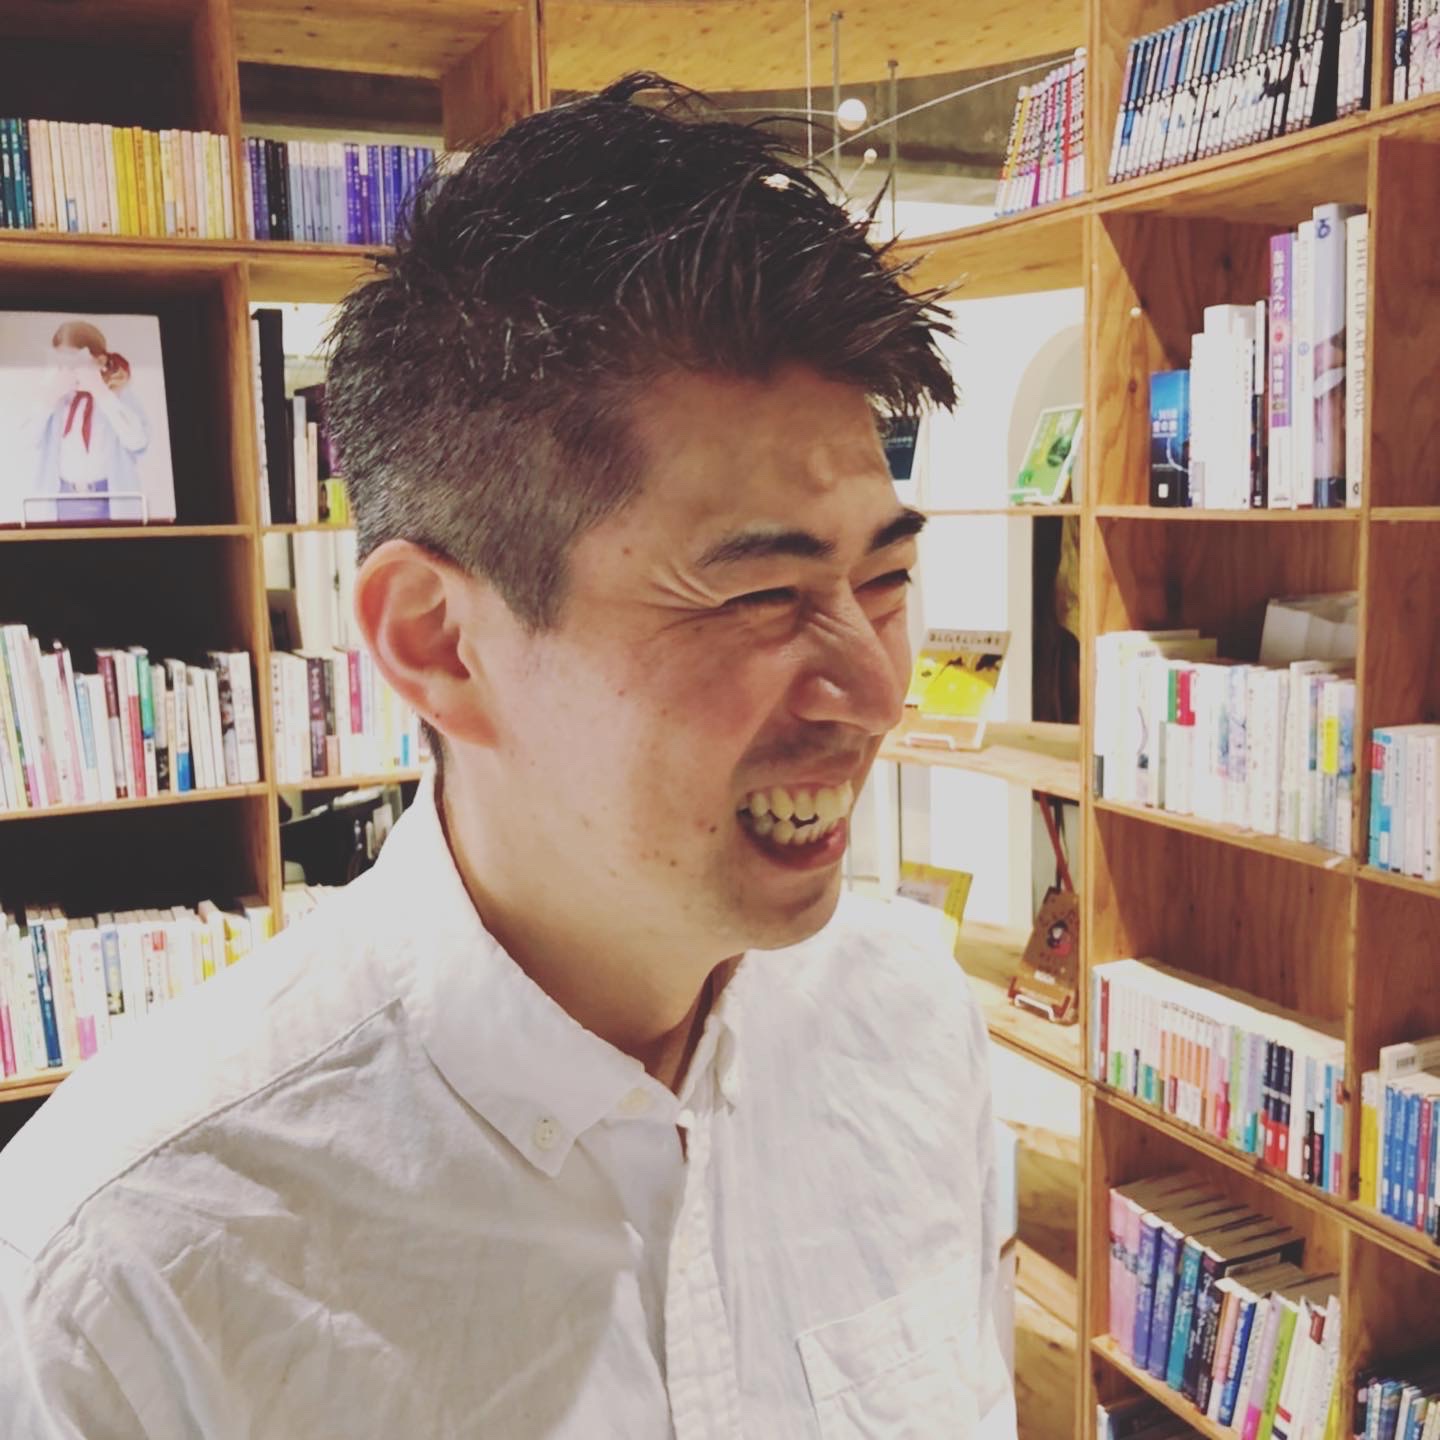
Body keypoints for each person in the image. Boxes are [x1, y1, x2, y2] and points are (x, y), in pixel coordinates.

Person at [0, 75, 1016, 1437]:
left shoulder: (910, 1023)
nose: (876, 690)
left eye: (884, 579)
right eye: (761, 595)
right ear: (440, 643)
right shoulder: (128, 1275)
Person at [28, 320, 150, 523]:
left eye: (75, 363)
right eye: (62, 364)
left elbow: (138, 442)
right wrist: (49, 398)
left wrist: (101, 392)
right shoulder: (57, 400)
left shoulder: (117, 396)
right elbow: (27, 441)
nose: (69, 371)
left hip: (110, 498)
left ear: (100, 361)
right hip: (63, 498)